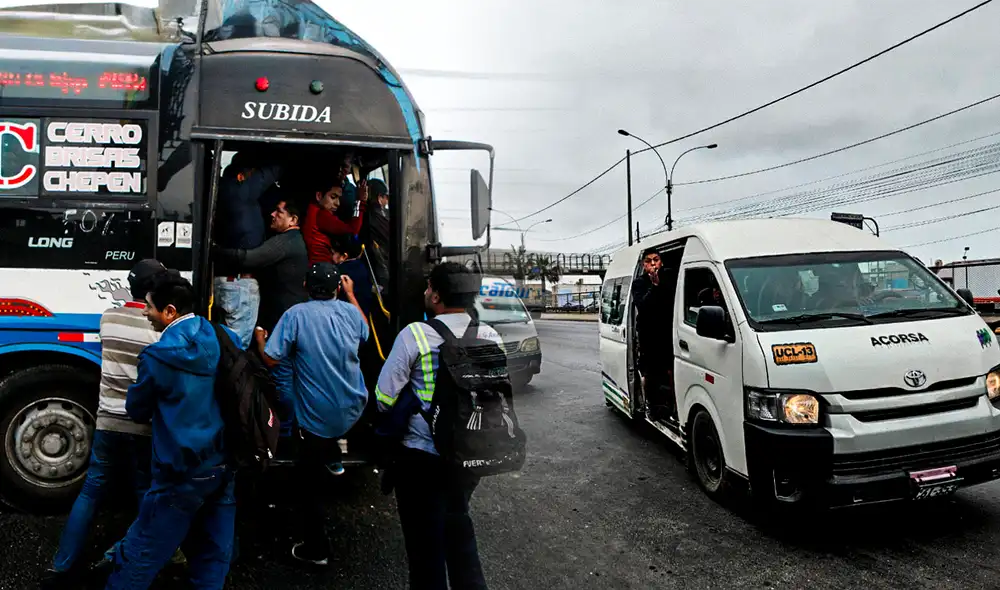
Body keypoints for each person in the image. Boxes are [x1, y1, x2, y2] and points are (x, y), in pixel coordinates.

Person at [102, 273, 238, 590]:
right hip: (222, 460)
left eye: (149, 307)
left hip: (180, 468)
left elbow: (137, 408)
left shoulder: (158, 357)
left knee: (144, 550)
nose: (145, 313)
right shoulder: (217, 335)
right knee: (213, 553)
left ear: (170, 312)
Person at [41, 260, 168, 588]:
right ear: (155, 290)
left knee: (91, 490)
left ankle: (61, 565)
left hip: (107, 421)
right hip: (142, 424)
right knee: (144, 490)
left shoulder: (108, 318)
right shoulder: (160, 328)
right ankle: (137, 560)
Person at [375, 262, 500, 589]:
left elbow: (383, 398)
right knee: (459, 534)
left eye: (430, 286)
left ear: (437, 295)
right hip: (469, 455)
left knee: (424, 552)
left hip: (421, 458)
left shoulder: (415, 334)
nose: (426, 292)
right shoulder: (489, 335)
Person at [254, 263, 369, 566]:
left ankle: (316, 549)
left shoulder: (296, 315)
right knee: (328, 431)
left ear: (305, 285)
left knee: (308, 485)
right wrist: (351, 294)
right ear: (336, 289)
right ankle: (334, 456)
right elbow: (366, 332)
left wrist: (260, 339)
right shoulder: (349, 312)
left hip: (318, 418)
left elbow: (272, 359)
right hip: (354, 407)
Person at [213, 152, 283, 348]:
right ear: (241, 176)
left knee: (224, 344)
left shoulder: (220, 194)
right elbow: (274, 170)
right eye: (253, 174)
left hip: (226, 281)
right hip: (239, 285)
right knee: (236, 350)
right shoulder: (239, 190)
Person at [213, 198, 309, 335]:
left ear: (293, 220)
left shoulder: (286, 242)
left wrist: (215, 251)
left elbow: (249, 258)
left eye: (279, 212)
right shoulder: (293, 239)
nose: (272, 214)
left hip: (283, 312)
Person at [631, 249, 676, 422]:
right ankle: (652, 406)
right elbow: (642, 306)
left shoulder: (670, 277)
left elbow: (673, 299)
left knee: (670, 369)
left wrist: (660, 284)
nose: (653, 264)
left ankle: (672, 406)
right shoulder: (639, 283)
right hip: (649, 336)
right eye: (649, 261)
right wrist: (654, 286)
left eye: (656, 260)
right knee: (650, 372)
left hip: (668, 333)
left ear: (661, 262)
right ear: (644, 265)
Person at [301, 170, 367, 265]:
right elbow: (353, 230)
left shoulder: (312, 210)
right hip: (322, 269)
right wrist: (360, 202)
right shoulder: (321, 215)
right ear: (319, 196)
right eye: (333, 197)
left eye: (338, 198)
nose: (338, 203)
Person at [331, 234, 374, 319]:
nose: (330, 256)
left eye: (333, 253)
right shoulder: (363, 267)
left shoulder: (339, 273)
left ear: (344, 256)